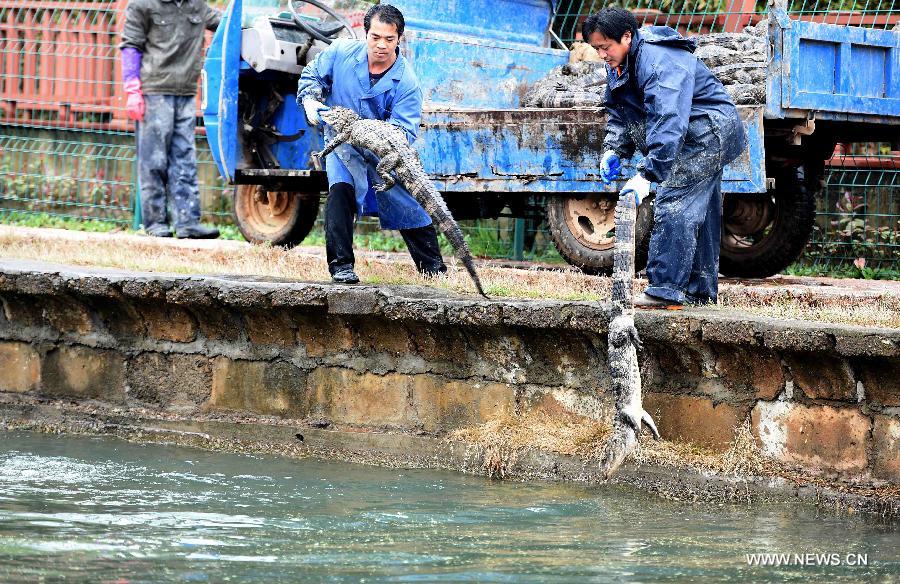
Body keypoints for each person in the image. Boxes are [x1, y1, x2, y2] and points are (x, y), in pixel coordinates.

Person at [584, 8, 747, 307]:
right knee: (702, 214)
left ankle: (665, 289)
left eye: (605, 47)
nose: (602, 55)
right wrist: (614, 149)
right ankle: (698, 293)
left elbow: (668, 120)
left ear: (627, 37)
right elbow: (621, 112)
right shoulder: (620, 64)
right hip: (698, 133)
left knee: (675, 204)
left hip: (706, 133)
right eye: (597, 49)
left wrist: (648, 175)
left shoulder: (659, 62)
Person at [296, 4, 447, 284]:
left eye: (389, 39)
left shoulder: (407, 82)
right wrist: (310, 101)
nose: (381, 45)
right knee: (340, 191)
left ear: (399, 38)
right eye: (375, 37)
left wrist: (373, 133)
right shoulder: (340, 52)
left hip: (384, 153)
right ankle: (341, 267)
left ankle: (434, 271)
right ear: (365, 33)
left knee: (410, 203)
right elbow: (311, 75)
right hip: (342, 146)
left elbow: (404, 131)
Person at [120, 0, 221, 239]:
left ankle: (187, 223)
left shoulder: (196, 5)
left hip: (185, 93)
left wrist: (255, 18)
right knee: (153, 161)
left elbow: (226, 23)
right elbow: (131, 46)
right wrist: (132, 89)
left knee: (184, 159)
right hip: (153, 92)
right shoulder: (143, 4)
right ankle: (155, 223)